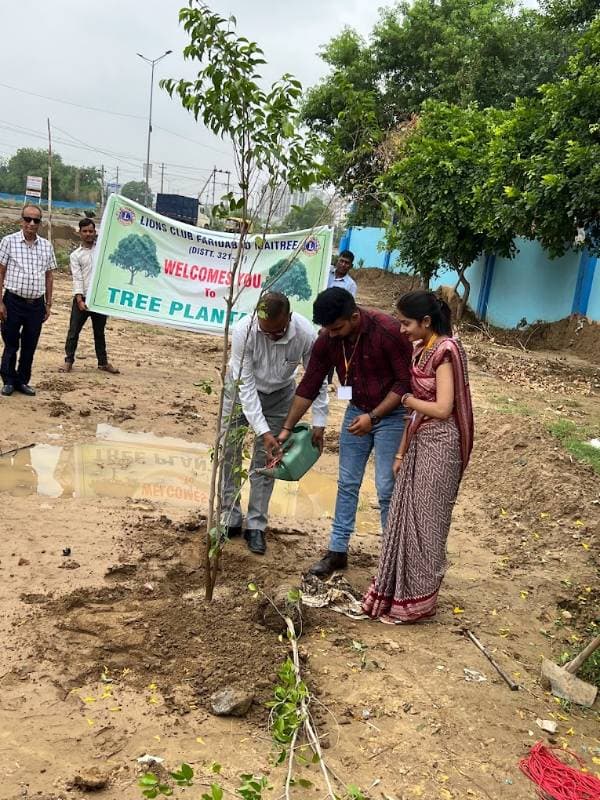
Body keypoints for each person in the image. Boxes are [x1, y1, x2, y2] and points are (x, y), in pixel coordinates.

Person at [279, 287, 412, 577]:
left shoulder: (388, 331)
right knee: (347, 483)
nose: (332, 334)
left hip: (391, 415)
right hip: (356, 412)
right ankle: (337, 551)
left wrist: (374, 416)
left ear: (354, 316)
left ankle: (392, 559)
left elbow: (404, 383)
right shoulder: (328, 339)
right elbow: (310, 383)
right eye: (327, 329)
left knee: (386, 488)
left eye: (337, 327)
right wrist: (287, 428)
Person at [362, 291, 474, 624]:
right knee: (404, 516)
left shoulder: (445, 351)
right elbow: (420, 414)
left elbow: (442, 408)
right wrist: (401, 451)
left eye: (406, 323)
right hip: (419, 442)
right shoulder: (420, 350)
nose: (401, 329)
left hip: (441, 446)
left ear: (426, 321)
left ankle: (417, 602)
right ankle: (397, 593)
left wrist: (407, 400)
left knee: (426, 524)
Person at [220, 291, 328, 555]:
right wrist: (263, 430)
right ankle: (229, 517)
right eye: (265, 332)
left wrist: (319, 419)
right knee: (228, 452)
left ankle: (256, 525)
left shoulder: (304, 334)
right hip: (239, 392)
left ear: (289, 318)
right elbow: (244, 386)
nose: (270, 337)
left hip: (280, 396)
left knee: (267, 460)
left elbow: (316, 379)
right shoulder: (244, 331)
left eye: (277, 332)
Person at [0, 205, 56, 397]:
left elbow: (49, 276)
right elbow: (1, 272)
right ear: (21, 220)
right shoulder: (8, 242)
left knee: (30, 345)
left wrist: (48, 304)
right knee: (11, 343)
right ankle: (8, 381)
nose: (32, 223)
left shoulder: (46, 246)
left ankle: (22, 381)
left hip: (36, 305)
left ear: (40, 223)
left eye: (36, 220)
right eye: (28, 219)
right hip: (13, 302)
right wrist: (0, 302)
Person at [60, 218, 119, 374]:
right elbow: (77, 278)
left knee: (99, 332)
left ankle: (103, 362)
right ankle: (68, 361)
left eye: (91, 231)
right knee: (73, 331)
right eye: (85, 231)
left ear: (95, 232)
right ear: (79, 233)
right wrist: (79, 299)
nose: (88, 234)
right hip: (82, 298)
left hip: (99, 299)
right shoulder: (76, 255)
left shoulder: (103, 251)